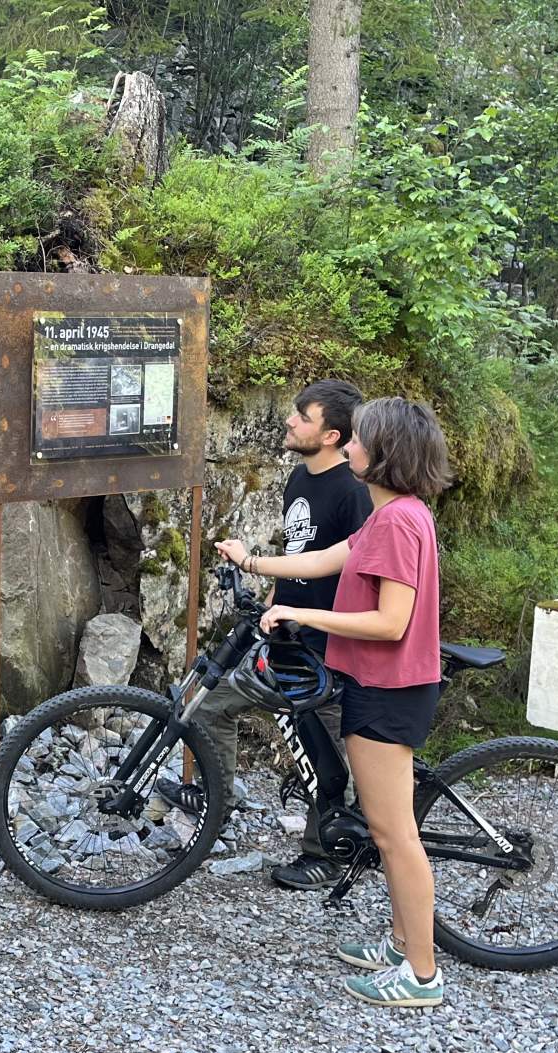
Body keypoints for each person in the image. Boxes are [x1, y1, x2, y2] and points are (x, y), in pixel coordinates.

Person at [218, 396, 454, 1008]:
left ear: (384, 452)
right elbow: (328, 559)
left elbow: (391, 622)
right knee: (388, 831)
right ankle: (401, 946)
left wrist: (304, 613)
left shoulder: (398, 522)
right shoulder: (392, 512)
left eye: (359, 439)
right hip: (381, 685)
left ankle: (421, 975)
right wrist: (254, 562)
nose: (349, 446)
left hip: (389, 689)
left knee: (394, 835)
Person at [156, 380, 370, 892]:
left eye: (303, 417)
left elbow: (358, 570)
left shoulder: (354, 493)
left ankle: (325, 854)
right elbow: (298, 553)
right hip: (284, 635)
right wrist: (272, 602)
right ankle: (219, 797)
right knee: (211, 704)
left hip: (327, 649)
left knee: (322, 752)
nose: (290, 421)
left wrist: (313, 617)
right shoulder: (299, 479)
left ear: (331, 435)